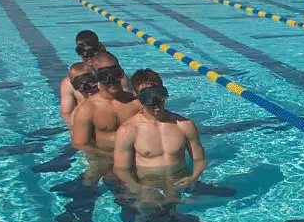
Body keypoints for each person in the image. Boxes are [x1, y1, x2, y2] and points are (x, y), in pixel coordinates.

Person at [113, 69, 207, 211]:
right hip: (148, 188)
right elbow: (121, 170)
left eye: (158, 93)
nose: (155, 101)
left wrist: (193, 178)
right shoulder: (129, 130)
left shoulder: (185, 125)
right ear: (135, 95)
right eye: (147, 96)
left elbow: (199, 159)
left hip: (180, 184)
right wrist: (140, 189)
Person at [71, 51, 141, 182]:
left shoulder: (136, 103)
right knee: (88, 183)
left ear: (121, 73)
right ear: (96, 77)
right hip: (104, 162)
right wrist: (111, 156)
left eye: (115, 75)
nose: (111, 81)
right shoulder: (87, 109)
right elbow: (80, 144)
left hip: (134, 160)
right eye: (104, 76)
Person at [59, 31, 107, 124]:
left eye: (91, 49)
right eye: (82, 49)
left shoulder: (111, 78)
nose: (87, 53)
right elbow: (66, 113)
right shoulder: (68, 83)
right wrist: (79, 128)